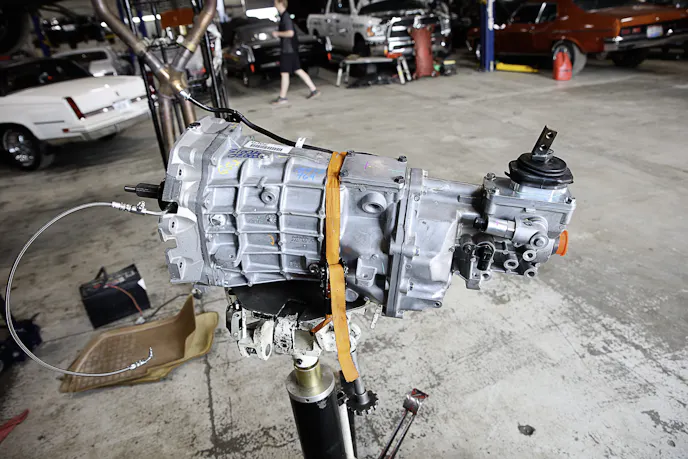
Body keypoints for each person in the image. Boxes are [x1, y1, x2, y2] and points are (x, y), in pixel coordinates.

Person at [271, 0, 320, 105]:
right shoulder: (284, 16)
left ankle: (282, 97)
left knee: (284, 73)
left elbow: (290, 33)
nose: (274, 5)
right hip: (291, 49)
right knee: (298, 70)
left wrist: (277, 33)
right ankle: (314, 90)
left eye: (275, 3)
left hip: (287, 49)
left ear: (281, 4)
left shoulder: (285, 17)